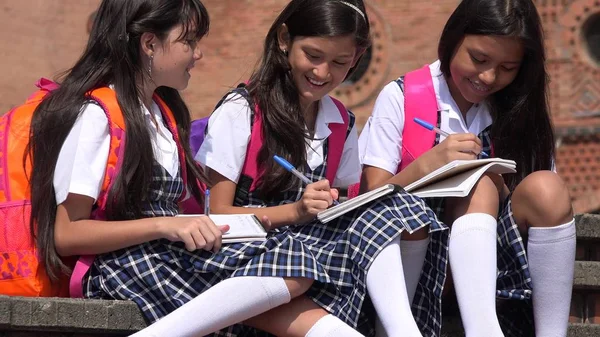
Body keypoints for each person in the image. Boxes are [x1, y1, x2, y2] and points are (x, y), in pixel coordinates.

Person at [191, 0, 445, 336]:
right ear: (284, 39)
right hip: (247, 253)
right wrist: (295, 211)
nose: (323, 73)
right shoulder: (243, 111)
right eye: (313, 56)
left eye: (340, 62)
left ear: (356, 58)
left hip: (312, 255)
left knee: (397, 206)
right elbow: (219, 213)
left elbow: (345, 202)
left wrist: (334, 205)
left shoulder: (341, 122)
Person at [358, 0, 576, 336]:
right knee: (479, 185)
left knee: (546, 188)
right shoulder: (403, 96)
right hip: (414, 262)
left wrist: (503, 192)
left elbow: (539, 204)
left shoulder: (521, 107)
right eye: (479, 59)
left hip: (497, 265)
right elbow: (370, 202)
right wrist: (427, 166)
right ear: (453, 39)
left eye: (507, 67)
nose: (488, 77)